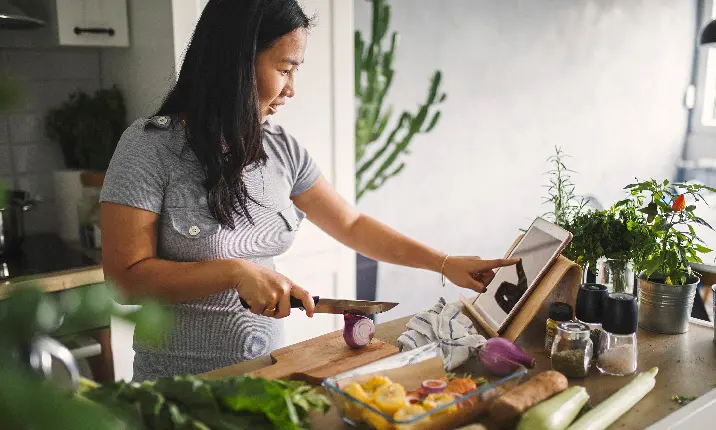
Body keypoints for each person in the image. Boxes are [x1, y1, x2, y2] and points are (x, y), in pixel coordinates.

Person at [99, 0, 518, 380]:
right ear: (236, 62)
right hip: (177, 389)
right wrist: (234, 271)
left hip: (267, 376)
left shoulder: (281, 149)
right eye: (284, 69)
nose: (291, 89)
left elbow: (352, 224)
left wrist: (444, 263)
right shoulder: (149, 146)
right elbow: (125, 280)